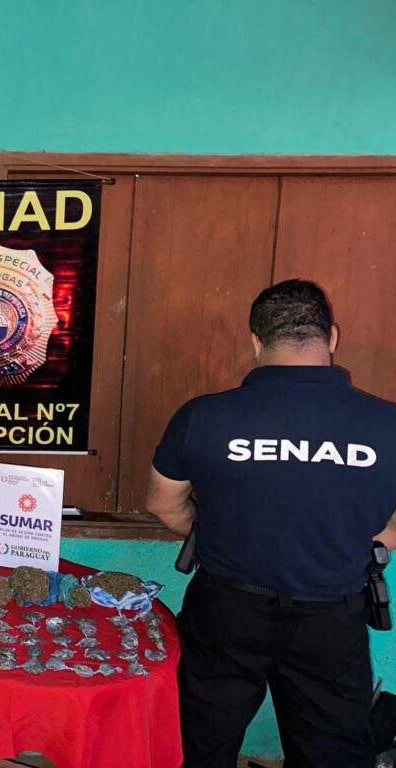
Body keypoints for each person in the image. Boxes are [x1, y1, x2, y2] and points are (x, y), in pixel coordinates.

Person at [146, 279, 396, 768]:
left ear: (256, 342)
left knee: (199, 744)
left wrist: (208, 533)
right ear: (332, 337)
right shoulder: (387, 425)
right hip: (331, 617)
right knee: (331, 755)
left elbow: (163, 504)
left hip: (225, 609)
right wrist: (375, 540)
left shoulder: (202, 417)